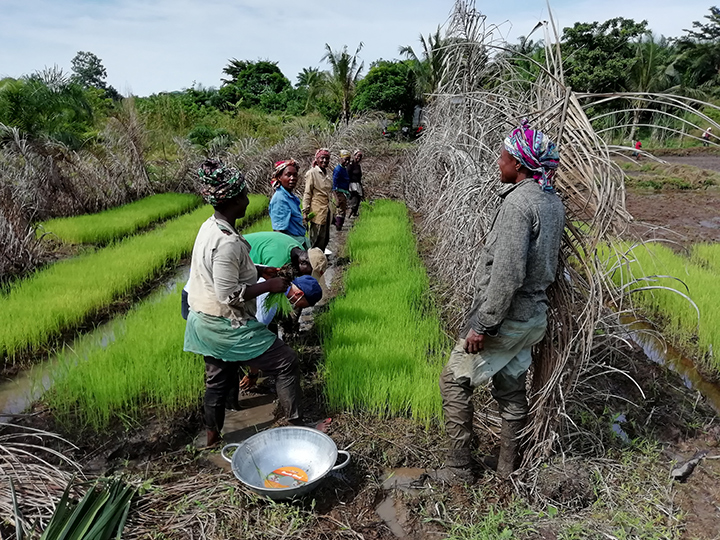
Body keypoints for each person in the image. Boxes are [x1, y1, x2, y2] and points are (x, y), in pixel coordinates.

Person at [438, 120, 565, 483]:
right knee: (510, 388)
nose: (499, 161)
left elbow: (507, 274)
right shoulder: (552, 201)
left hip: (507, 320)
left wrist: (483, 324)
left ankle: (460, 467)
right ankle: (508, 466)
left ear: (519, 163)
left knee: (454, 381)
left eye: (503, 155)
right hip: (533, 319)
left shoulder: (520, 203)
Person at [183, 159, 305, 448]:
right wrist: (269, 285)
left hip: (202, 319)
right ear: (234, 200)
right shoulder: (227, 242)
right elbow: (228, 294)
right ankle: (296, 425)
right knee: (287, 362)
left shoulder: (210, 226)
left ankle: (212, 440)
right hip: (226, 323)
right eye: (244, 196)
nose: (249, 201)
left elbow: (223, 271)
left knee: (218, 380)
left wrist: (261, 270)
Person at [180, 232, 327, 320]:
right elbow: (261, 300)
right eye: (309, 273)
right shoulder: (278, 261)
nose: (306, 276)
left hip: (230, 271)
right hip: (213, 277)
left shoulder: (297, 248)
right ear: (304, 262)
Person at [269, 159, 307, 247]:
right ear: (279, 177)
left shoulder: (290, 197)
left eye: (295, 175)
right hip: (291, 245)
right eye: (288, 175)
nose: (292, 178)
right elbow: (279, 233)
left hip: (298, 241)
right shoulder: (280, 199)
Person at [302, 148, 333, 251]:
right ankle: (313, 260)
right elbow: (307, 193)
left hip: (326, 211)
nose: (325, 161)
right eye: (322, 158)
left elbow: (329, 194)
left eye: (327, 159)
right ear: (317, 159)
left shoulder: (327, 175)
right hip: (317, 211)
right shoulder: (312, 173)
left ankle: (321, 259)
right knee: (316, 238)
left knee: (325, 238)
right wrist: (305, 211)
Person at [332, 150, 351, 231]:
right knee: (340, 210)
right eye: (345, 159)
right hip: (339, 192)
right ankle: (338, 227)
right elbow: (334, 184)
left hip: (344, 192)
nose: (347, 161)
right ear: (341, 159)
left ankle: (339, 226)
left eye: (348, 160)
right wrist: (336, 198)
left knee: (342, 210)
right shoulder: (338, 169)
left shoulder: (344, 169)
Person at [347, 149, 364, 218]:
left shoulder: (358, 165)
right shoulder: (351, 165)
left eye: (360, 157)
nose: (358, 158)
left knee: (358, 200)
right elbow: (348, 175)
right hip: (352, 185)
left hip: (357, 184)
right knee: (354, 200)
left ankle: (354, 214)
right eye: (357, 156)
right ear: (354, 156)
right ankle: (348, 216)